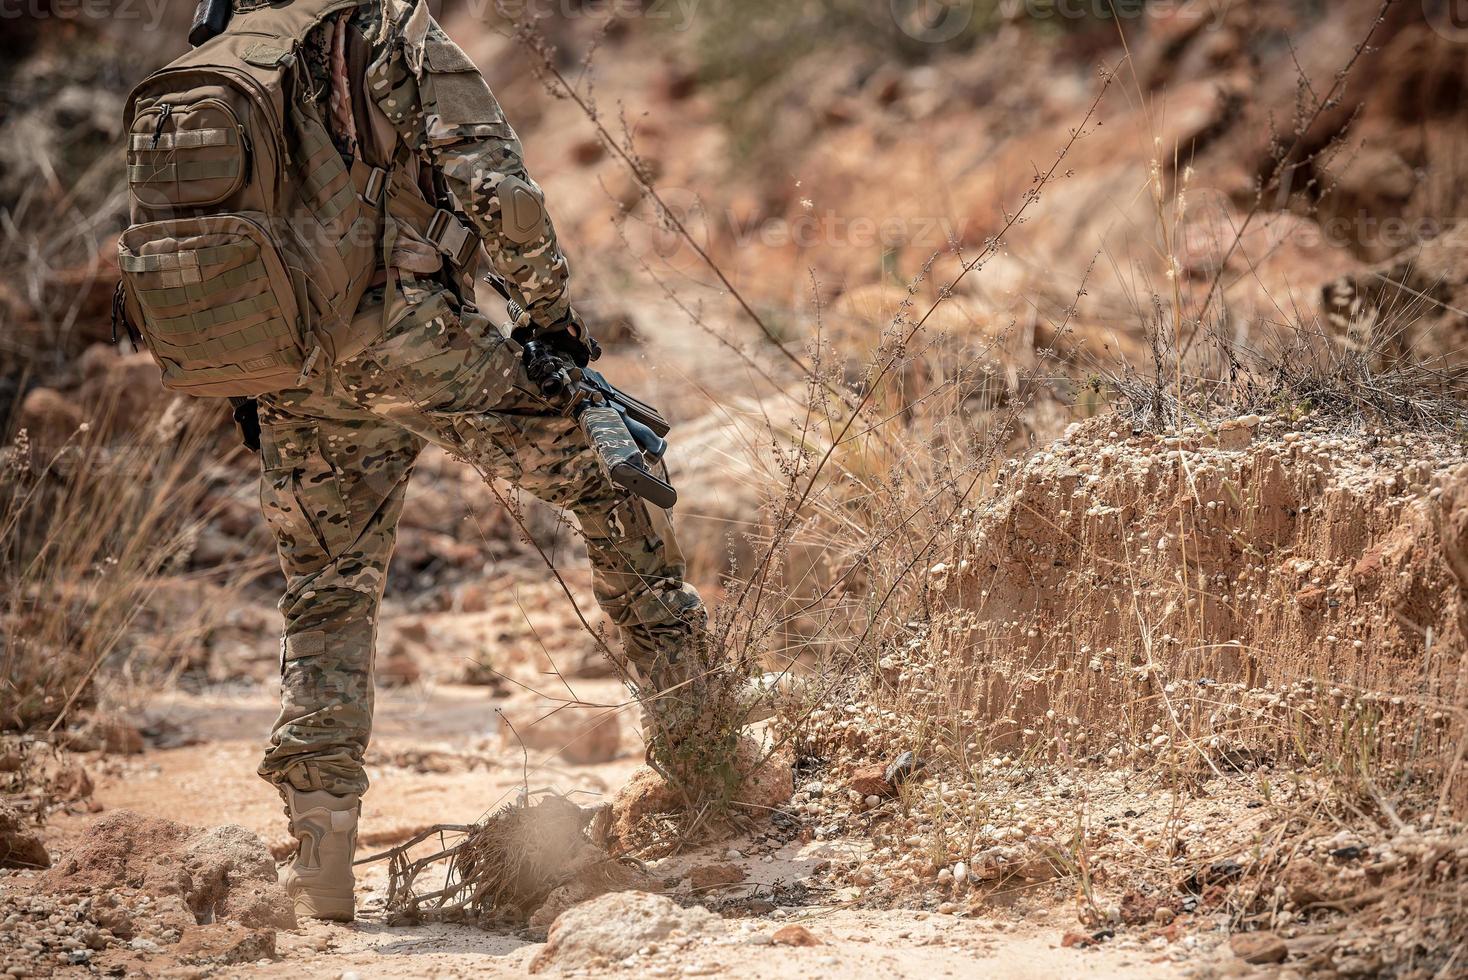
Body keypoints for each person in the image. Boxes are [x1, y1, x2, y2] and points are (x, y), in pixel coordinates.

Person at [205, 0, 725, 922]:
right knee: (615, 479)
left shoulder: (223, 43)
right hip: (408, 335)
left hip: (285, 360)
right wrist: (548, 314)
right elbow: (495, 184)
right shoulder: (382, 24)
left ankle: (321, 859)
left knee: (326, 592)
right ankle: (701, 757)